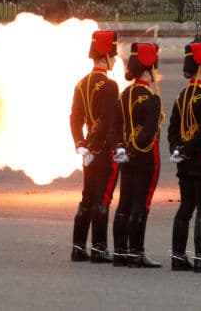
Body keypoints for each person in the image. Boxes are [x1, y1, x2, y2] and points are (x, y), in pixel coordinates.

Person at [167, 42, 201, 273]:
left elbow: (171, 130)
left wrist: (177, 151)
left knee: (185, 208)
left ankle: (178, 256)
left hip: (184, 161)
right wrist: (189, 149)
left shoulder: (181, 97)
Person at [109, 42, 163, 268]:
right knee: (141, 204)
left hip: (126, 157)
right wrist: (132, 148)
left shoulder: (125, 94)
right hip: (144, 156)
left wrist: (121, 148)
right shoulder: (151, 99)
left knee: (124, 204)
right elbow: (149, 131)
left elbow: (115, 127)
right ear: (147, 70)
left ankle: (120, 250)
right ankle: (136, 252)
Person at [69, 30, 120, 263]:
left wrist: (81, 144)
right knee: (103, 199)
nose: (115, 59)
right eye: (113, 55)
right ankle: (99, 248)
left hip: (88, 151)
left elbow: (75, 119)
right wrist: (95, 146)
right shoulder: (110, 86)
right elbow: (107, 121)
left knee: (86, 198)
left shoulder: (81, 84)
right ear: (106, 56)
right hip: (104, 149)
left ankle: (78, 247)